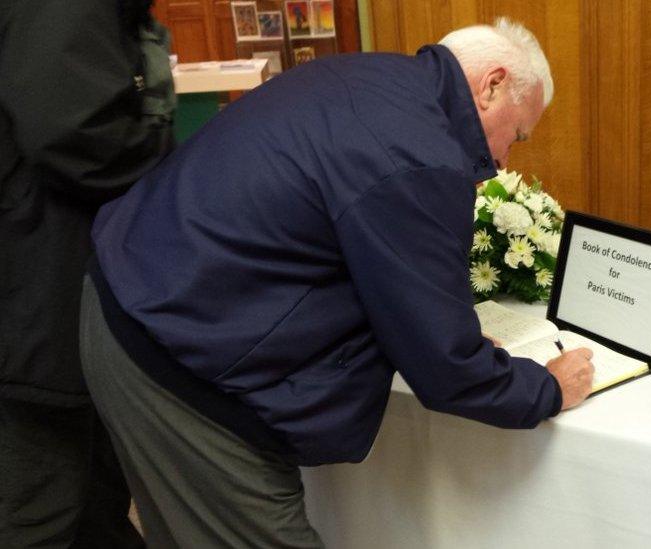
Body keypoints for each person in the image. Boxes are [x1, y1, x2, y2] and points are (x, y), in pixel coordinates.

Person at [79, 18, 594, 546]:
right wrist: (547, 387)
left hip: (138, 301)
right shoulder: (421, 154)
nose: (505, 159)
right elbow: (448, 371)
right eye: (518, 134)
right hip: (175, 361)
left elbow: (357, 264)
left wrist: (439, 331)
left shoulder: (373, 77)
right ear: (492, 86)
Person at [0, 1, 175, 547]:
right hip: (40, 290)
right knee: (43, 505)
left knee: (85, 499)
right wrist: (170, 164)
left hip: (46, 284)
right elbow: (76, 132)